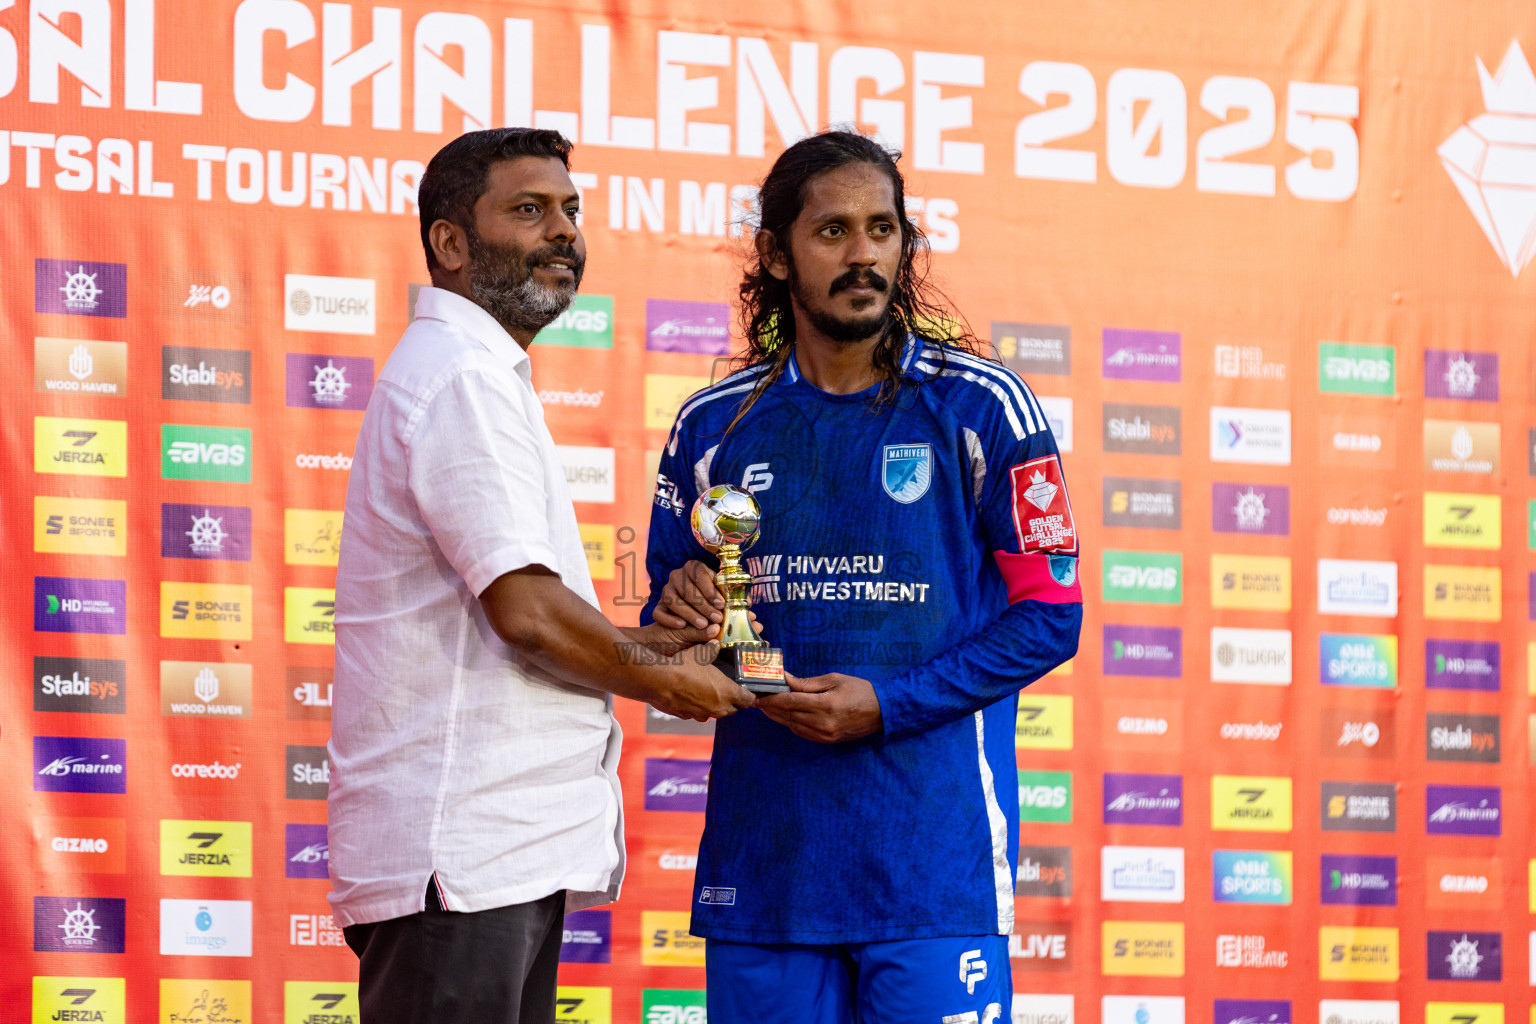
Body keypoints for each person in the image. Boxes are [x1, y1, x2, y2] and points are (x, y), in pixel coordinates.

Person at [643, 130, 1083, 1024]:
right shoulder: (712, 426)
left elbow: (1052, 615)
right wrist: (683, 613)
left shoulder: (982, 406)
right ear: (774, 253)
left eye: (882, 229)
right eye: (832, 231)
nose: (862, 255)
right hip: (767, 873)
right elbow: (680, 623)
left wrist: (888, 705)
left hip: (932, 869)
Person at [328, 128, 754, 1024]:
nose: (562, 230)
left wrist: (649, 640)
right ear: (449, 242)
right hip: (462, 858)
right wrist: (665, 679)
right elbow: (525, 613)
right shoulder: (459, 378)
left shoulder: (482, 373)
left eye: (570, 211)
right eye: (529, 210)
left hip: (493, 860)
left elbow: (515, 611)